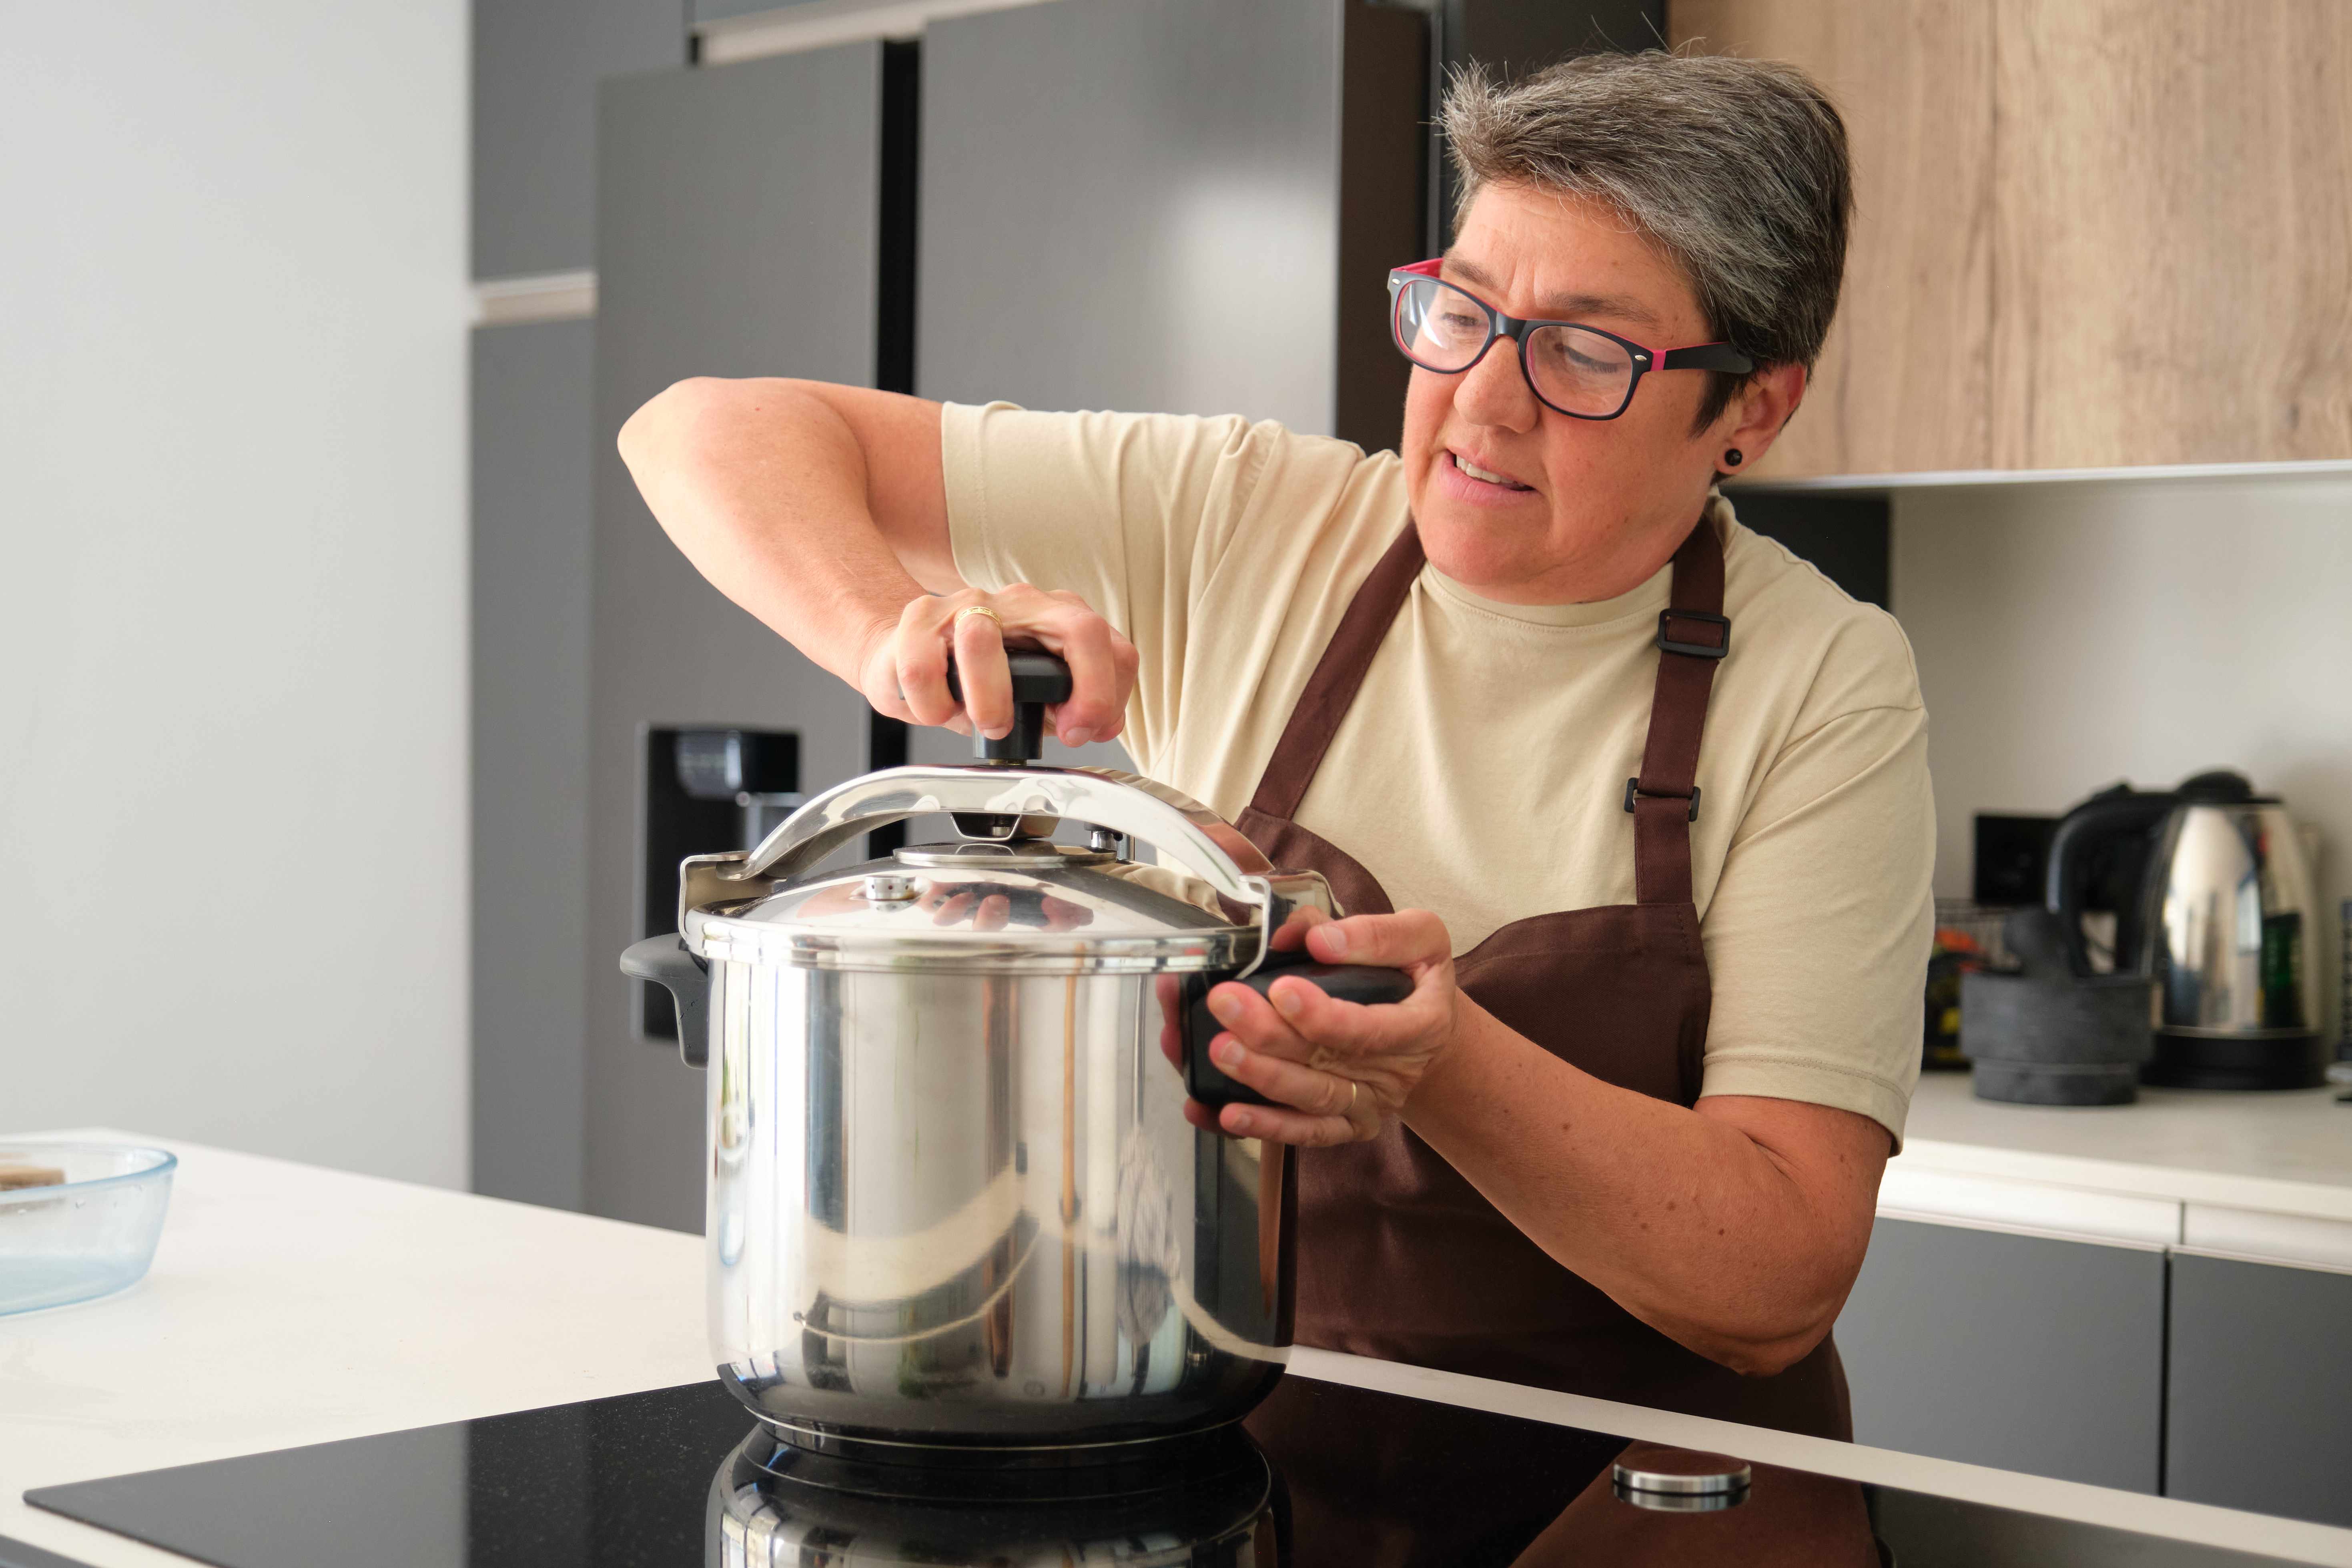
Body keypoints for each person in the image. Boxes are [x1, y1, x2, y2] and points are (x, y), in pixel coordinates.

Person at [618, 51, 1932, 1438]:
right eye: (1462, 313)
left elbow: (1779, 1276)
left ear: (1753, 408)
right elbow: (702, 430)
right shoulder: (1245, 520)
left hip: (1647, 1502)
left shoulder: (1826, 685)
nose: (1484, 400)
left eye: (1584, 353)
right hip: (1234, 1451)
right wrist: (889, 628)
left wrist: (1443, 1067)